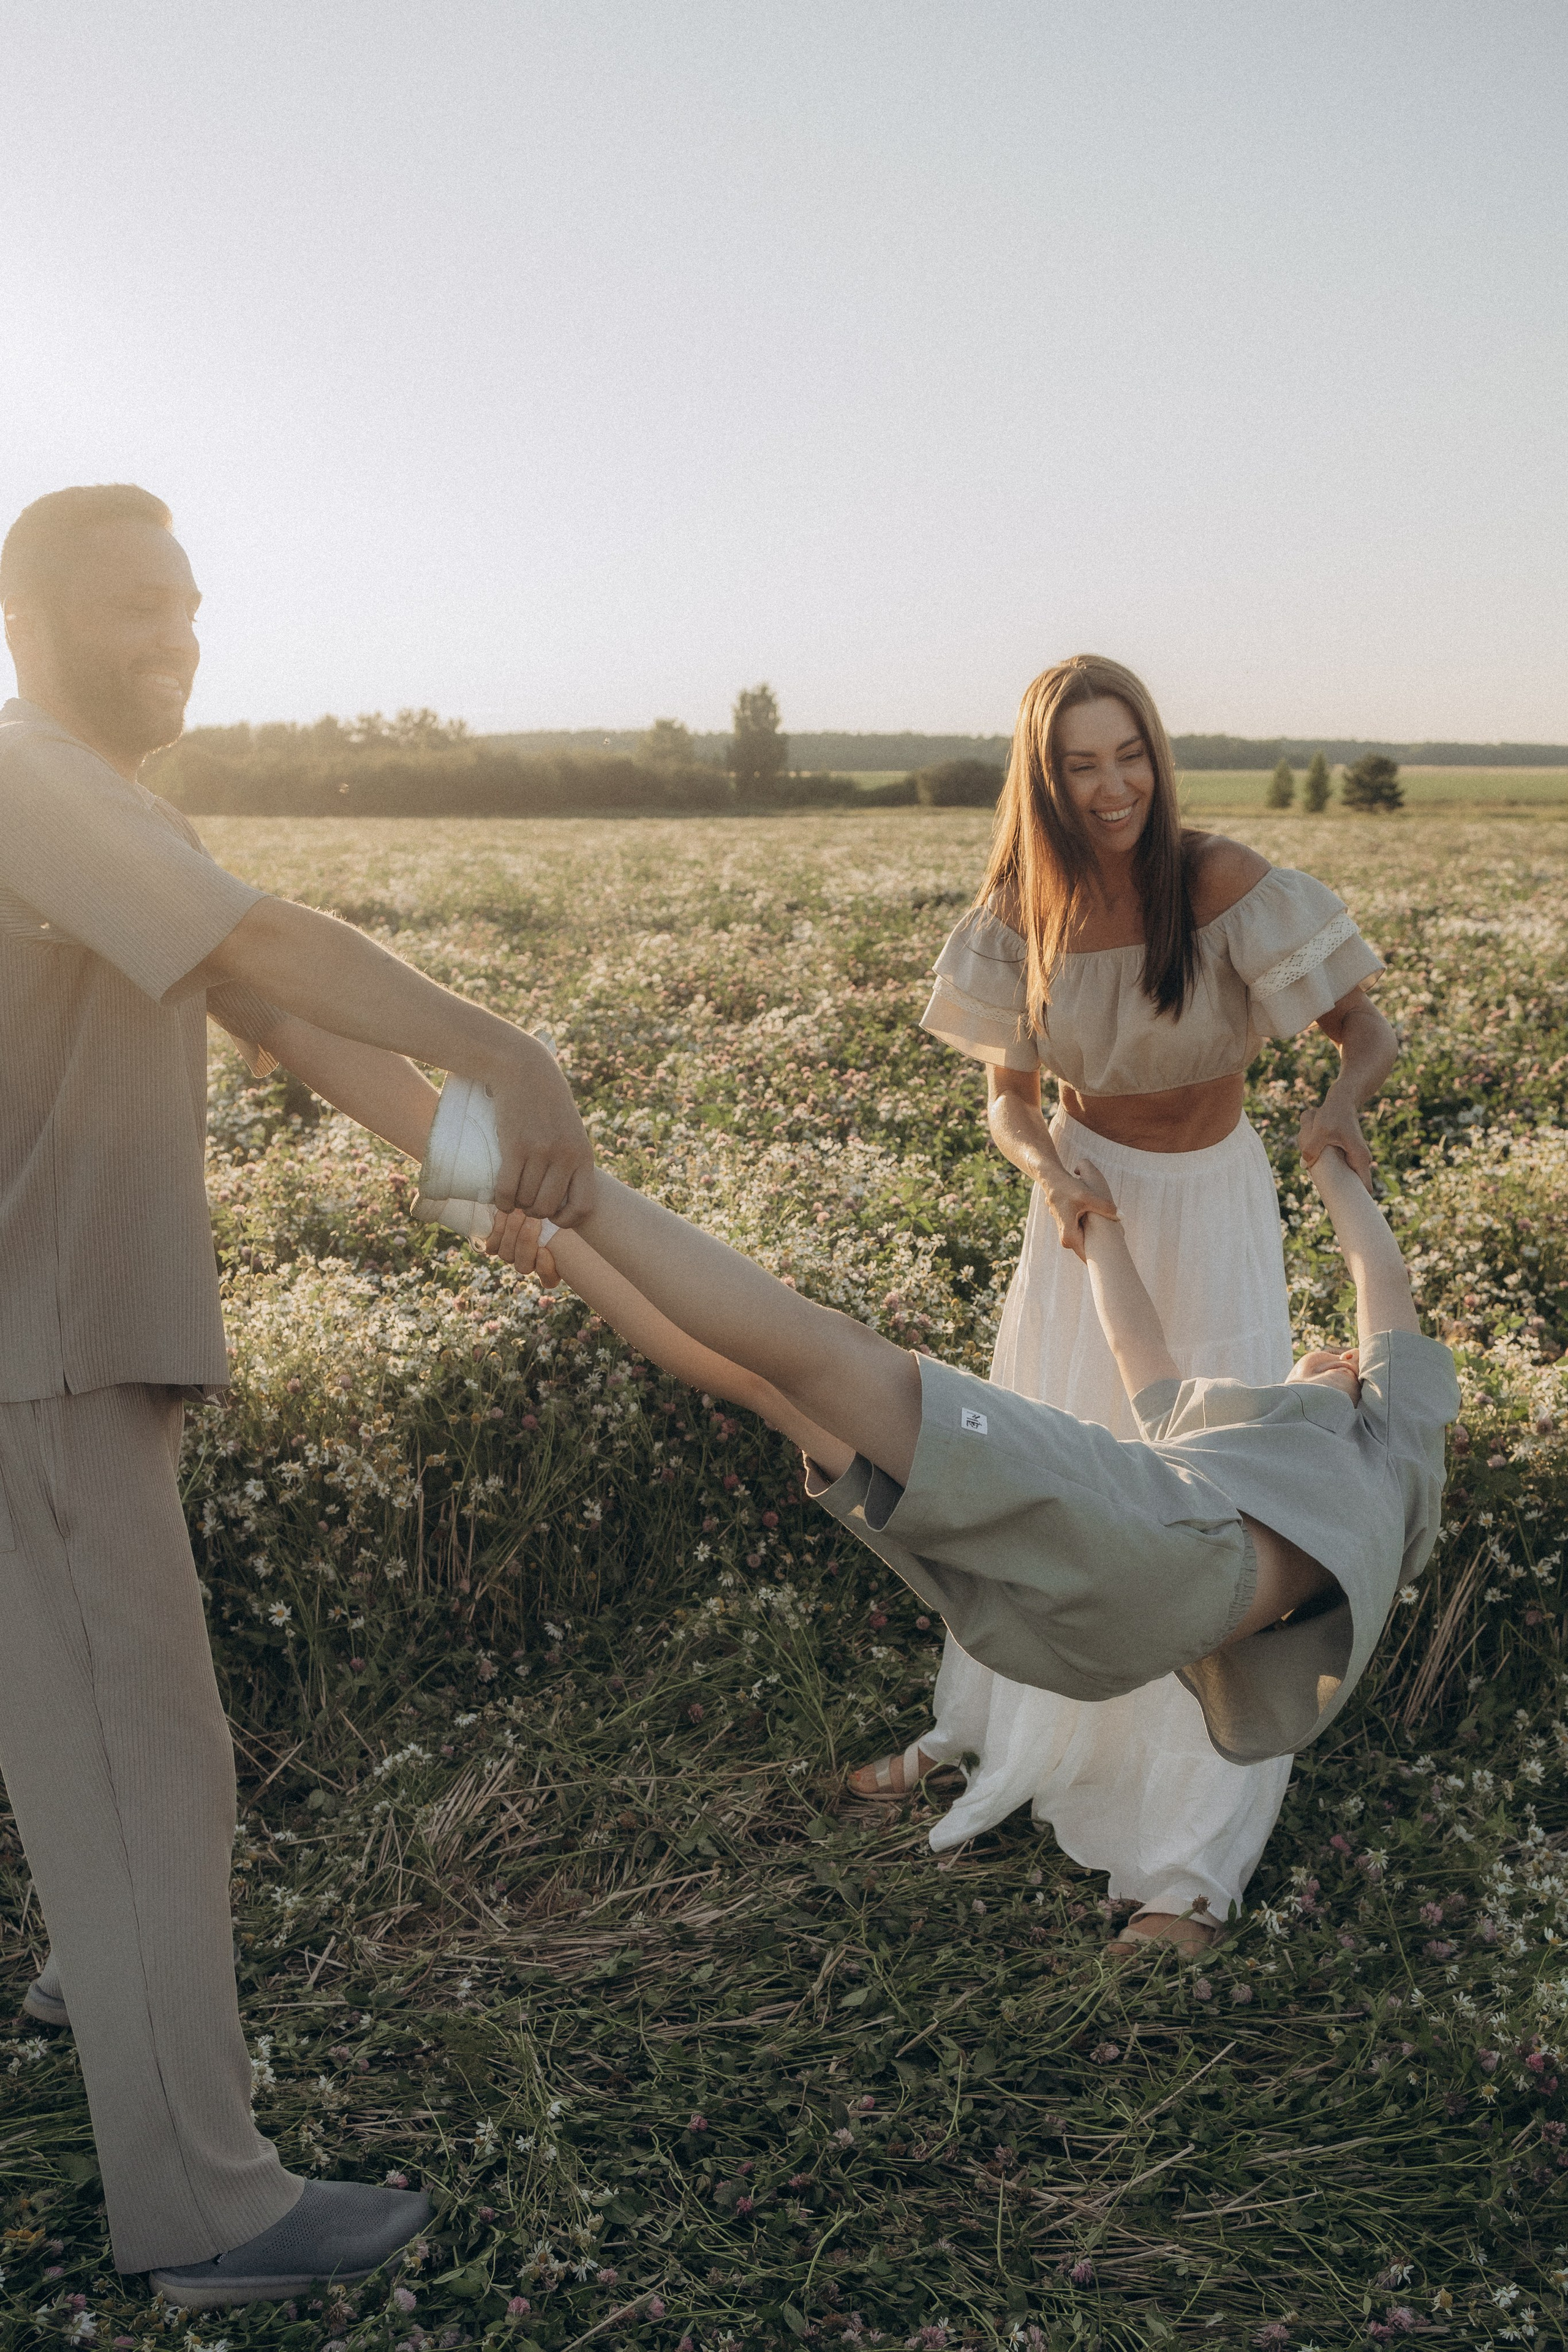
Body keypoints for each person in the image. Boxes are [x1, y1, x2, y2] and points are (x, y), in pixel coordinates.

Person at [0, 484, 593, 2307]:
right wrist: (504, 1046)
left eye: (187, 603)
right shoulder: (34, 786)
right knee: (142, 1759)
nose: (173, 637)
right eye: (128, 608)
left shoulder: (93, 812)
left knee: (97, 1747)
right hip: (45, 1355)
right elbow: (262, 951)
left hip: (58, 1348)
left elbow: (281, 1026)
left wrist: (475, 1167)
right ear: (26, 620)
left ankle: (85, 1984)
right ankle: (210, 2214)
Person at [851, 654, 1396, 1956]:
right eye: (1081, 766)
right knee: (1045, 1473)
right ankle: (999, 1729)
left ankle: (1184, 1856)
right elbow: (1008, 1099)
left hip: (1206, 1208)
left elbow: (1360, 1029)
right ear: (1043, 781)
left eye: (1129, 755)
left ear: (1156, 753)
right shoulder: (1016, 907)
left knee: (1195, 1493)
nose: (1113, 788)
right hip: (1083, 1222)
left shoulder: (1217, 883)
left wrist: (1337, 1106)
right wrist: (1049, 1170)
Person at [447, 1094, 1457, 1774]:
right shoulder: (1239, 1441)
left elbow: (1384, 1281)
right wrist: (1089, 1218)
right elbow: (1138, 1345)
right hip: (1105, 1636)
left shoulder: (1389, 1439)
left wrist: (1331, 1161)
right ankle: (550, 1238)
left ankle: (549, 1178)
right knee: (778, 1391)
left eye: (1328, 1358)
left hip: (1176, 1564)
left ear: (1364, 1382)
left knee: (829, 1352)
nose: (1313, 1356)